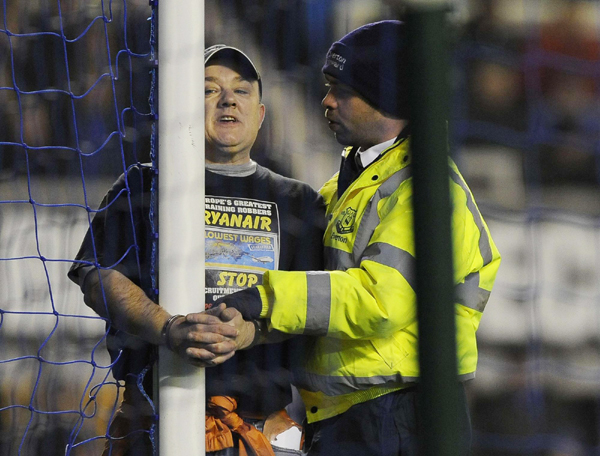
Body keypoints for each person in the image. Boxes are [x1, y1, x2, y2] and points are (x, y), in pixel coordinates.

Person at [209, 20, 502, 455]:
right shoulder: (346, 185)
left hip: (399, 413)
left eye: (342, 89)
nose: (326, 100)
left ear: (388, 97)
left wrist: (263, 298)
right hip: (350, 413)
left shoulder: (429, 191)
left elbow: (380, 300)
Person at [68, 45, 325, 455]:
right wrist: (168, 329)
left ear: (259, 115)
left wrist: (248, 333)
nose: (228, 99)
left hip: (261, 430)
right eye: (210, 90)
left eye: (242, 91)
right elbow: (98, 278)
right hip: (156, 422)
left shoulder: (299, 201)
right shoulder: (143, 185)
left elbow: (316, 308)